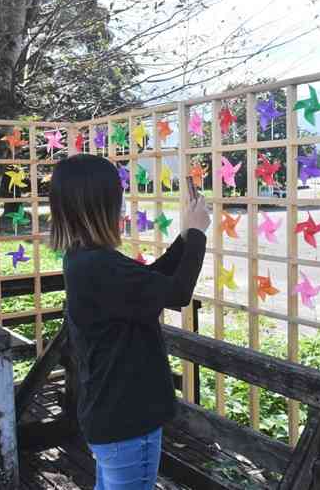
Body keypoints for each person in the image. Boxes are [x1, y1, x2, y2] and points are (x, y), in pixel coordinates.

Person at [49, 154, 210, 489]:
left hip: (107, 415)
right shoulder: (99, 265)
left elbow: (148, 283)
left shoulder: (85, 260)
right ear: (101, 207)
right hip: (127, 420)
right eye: (117, 201)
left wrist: (183, 239)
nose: (121, 210)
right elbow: (177, 293)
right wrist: (197, 233)